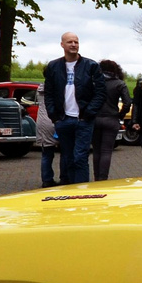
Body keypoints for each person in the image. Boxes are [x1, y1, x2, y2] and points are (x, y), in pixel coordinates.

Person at [42, 32, 105, 185]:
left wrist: (89, 112)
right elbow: (49, 93)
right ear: (62, 44)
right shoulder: (53, 66)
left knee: (80, 157)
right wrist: (54, 116)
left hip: (83, 119)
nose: (73, 45)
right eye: (70, 42)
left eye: (76, 42)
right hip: (63, 119)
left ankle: (82, 190)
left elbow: (101, 92)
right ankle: (69, 189)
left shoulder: (91, 66)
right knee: (67, 157)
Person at [92, 60, 129, 181]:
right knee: (106, 151)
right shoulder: (119, 83)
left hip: (95, 118)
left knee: (96, 151)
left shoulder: (94, 82)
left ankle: (97, 178)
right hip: (112, 119)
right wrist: (120, 115)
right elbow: (127, 102)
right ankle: (103, 179)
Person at [34, 83, 58, 187]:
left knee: (46, 153)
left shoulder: (39, 89)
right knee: (65, 152)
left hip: (42, 121)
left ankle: (47, 179)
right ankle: (64, 178)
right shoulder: (57, 87)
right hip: (54, 119)